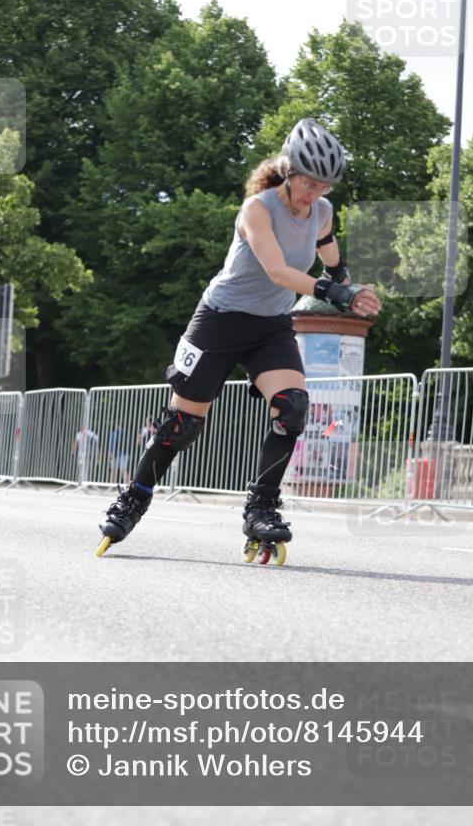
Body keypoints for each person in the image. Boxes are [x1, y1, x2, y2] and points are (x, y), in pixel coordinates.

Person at [97, 118, 380, 563]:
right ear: (289, 171)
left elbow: (325, 243)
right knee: (181, 426)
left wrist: (340, 274)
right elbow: (277, 271)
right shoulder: (258, 209)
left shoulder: (321, 210)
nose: (314, 193)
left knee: (292, 409)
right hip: (219, 322)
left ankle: (261, 507)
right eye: (308, 183)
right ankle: (134, 497)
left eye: (323, 186)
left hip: (270, 326)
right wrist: (334, 292)